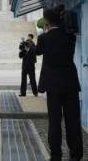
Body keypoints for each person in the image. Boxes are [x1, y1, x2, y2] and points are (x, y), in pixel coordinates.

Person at [36, 9, 83, 161]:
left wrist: (46, 31)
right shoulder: (70, 36)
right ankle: (76, 155)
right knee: (73, 121)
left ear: (47, 22)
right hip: (70, 83)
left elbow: (37, 52)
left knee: (54, 121)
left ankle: (56, 155)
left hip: (53, 85)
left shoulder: (44, 38)